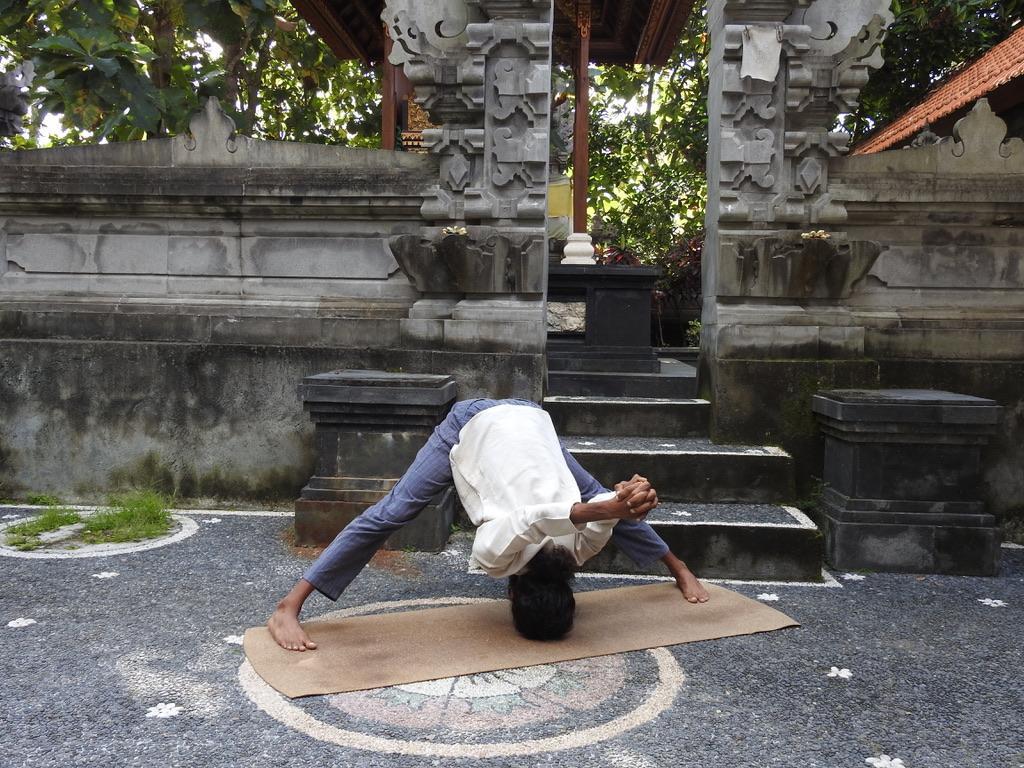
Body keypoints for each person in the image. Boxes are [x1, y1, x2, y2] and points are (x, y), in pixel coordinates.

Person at [268, 398, 709, 651]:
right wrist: (629, 496)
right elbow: (599, 515)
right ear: (512, 594)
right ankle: (287, 607)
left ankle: (679, 567)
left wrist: (611, 505)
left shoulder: (495, 556)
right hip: (484, 422)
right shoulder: (573, 550)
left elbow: (531, 520)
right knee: (392, 512)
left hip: (523, 429)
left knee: (606, 505)